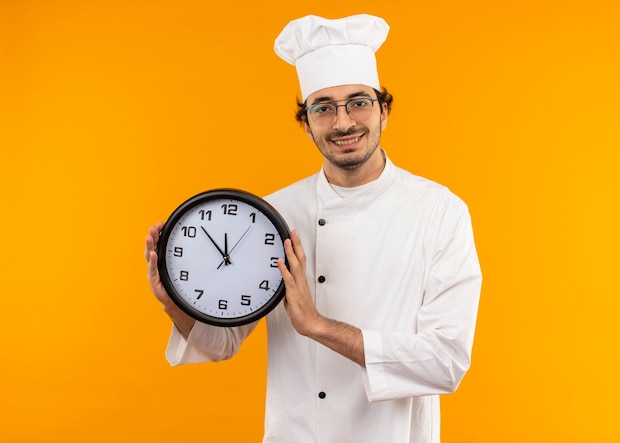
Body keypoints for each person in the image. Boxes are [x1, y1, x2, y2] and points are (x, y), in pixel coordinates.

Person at [145, 14, 482, 443]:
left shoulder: (438, 212)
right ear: (306, 124)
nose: (343, 123)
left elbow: (446, 361)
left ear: (384, 111)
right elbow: (220, 343)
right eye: (323, 108)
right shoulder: (272, 214)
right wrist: (173, 300)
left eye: (358, 102)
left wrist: (317, 325)